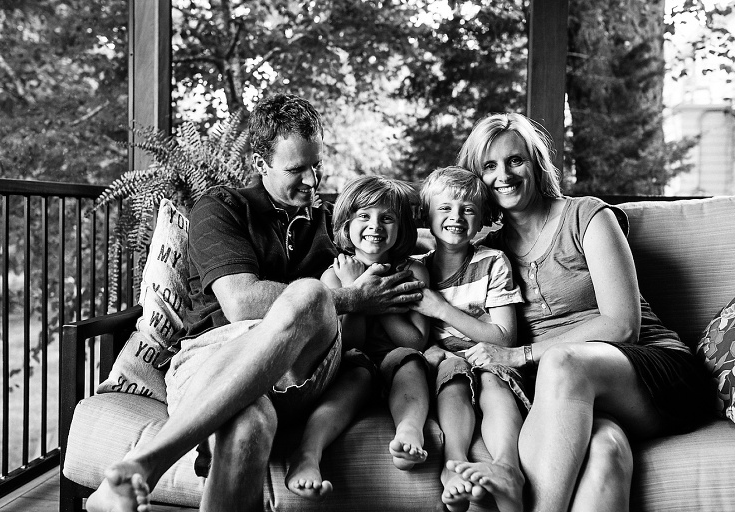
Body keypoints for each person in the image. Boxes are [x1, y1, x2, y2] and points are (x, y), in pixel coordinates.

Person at [84, 94, 425, 512]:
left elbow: (401, 232)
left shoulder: (335, 223)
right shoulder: (222, 208)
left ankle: (145, 463)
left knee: (312, 293)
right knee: (249, 422)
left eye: (316, 165)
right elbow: (242, 303)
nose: (312, 180)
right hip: (211, 359)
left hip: (307, 370)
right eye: (296, 169)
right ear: (260, 164)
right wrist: (355, 298)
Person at [445, 113, 714, 512]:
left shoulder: (587, 216)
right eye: (489, 166)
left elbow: (623, 324)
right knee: (607, 449)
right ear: (476, 179)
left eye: (515, 160)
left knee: (563, 363)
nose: (504, 174)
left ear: (536, 163)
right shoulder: (486, 251)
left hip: (651, 372)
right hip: (570, 395)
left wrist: (521, 355)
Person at [286, 174, 430, 501]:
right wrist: (356, 292)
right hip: (355, 365)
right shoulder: (334, 274)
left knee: (410, 362)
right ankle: (308, 453)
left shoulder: (413, 273)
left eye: (387, 217)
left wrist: (375, 296)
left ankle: (409, 432)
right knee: (355, 372)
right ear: (347, 225)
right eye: (364, 216)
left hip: (398, 361)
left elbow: (415, 341)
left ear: (402, 228)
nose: (375, 225)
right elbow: (349, 344)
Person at [410, 166, 527, 512]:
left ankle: (507, 466)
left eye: (468, 209)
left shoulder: (493, 262)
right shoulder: (417, 269)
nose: (456, 218)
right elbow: (415, 336)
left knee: (494, 376)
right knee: (453, 373)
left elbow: (505, 338)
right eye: (445, 208)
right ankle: (454, 465)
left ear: (482, 219)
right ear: (426, 215)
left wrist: (441, 309)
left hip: (491, 354)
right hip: (446, 361)